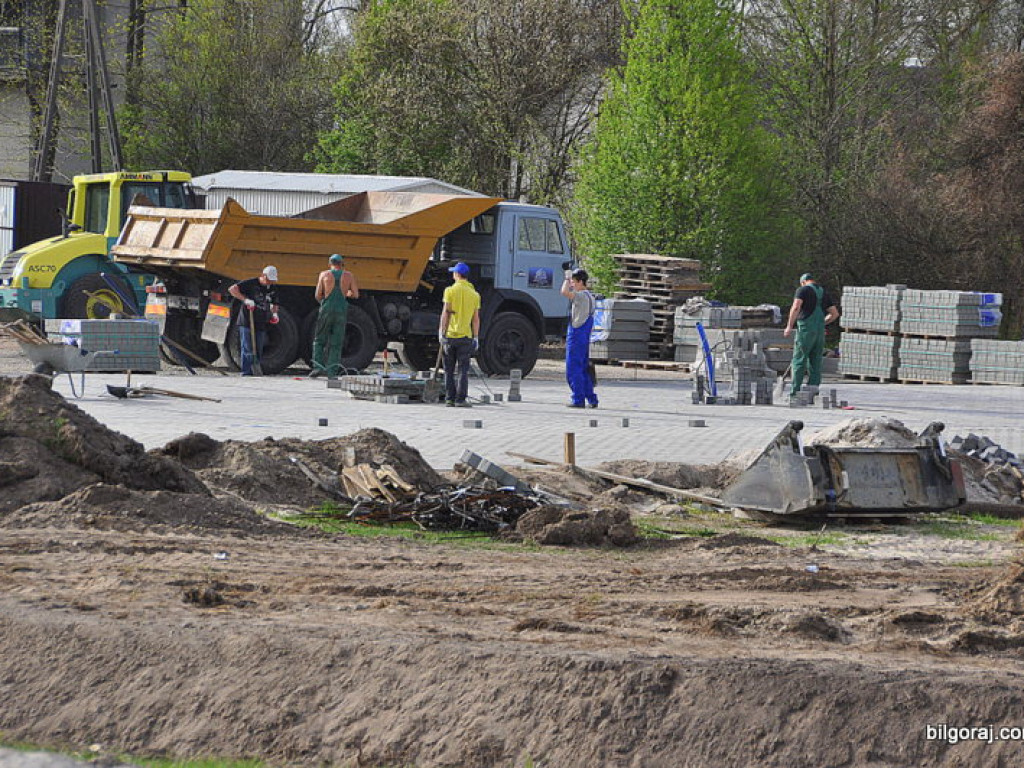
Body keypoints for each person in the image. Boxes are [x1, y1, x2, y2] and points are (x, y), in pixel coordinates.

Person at [783, 272, 839, 397]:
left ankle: (795, 392)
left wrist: (789, 326)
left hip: (806, 330)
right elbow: (834, 314)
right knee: (815, 361)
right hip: (819, 331)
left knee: (799, 359)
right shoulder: (823, 292)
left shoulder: (802, 290)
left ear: (803, 282)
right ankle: (812, 392)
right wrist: (822, 323)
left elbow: (796, 307)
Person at [310, 253, 360, 379]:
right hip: (341, 310)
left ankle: (317, 367)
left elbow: (317, 295)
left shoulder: (324, 275)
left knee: (319, 339)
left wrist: (325, 302)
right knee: (336, 342)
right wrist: (347, 293)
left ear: (329, 264)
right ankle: (332, 372)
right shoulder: (349, 276)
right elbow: (356, 295)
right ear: (342, 264)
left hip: (326, 309)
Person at [439, 262, 481, 407]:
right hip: (465, 337)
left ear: (457, 275)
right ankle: (461, 400)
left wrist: (441, 332)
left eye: (453, 273)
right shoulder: (475, 295)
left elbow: (445, 313)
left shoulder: (449, 291)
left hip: (450, 336)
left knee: (449, 370)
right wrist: (476, 337)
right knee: (463, 369)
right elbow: (475, 319)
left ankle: (449, 399)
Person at [228, 265, 280, 376]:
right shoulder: (251, 283)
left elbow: (275, 303)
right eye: (268, 280)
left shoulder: (272, 287)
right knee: (247, 347)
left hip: (261, 320)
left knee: (259, 347)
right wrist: (245, 299)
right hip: (247, 320)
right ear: (263, 276)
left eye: (272, 281)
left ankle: (255, 369)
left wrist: (275, 314)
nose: (270, 283)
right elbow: (232, 289)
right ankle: (246, 372)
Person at [560, 267, 598, 408]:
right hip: (584, 337)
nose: (572, 284)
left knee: (573, 369)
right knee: (583, 369)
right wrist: (571, 278)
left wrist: (566, 277)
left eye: (574, 282)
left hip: (576, 336)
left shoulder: (581, 296)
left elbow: (564, 292)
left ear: (581, 282)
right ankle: (592, 399)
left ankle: (578, 399)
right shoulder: (590, 297)